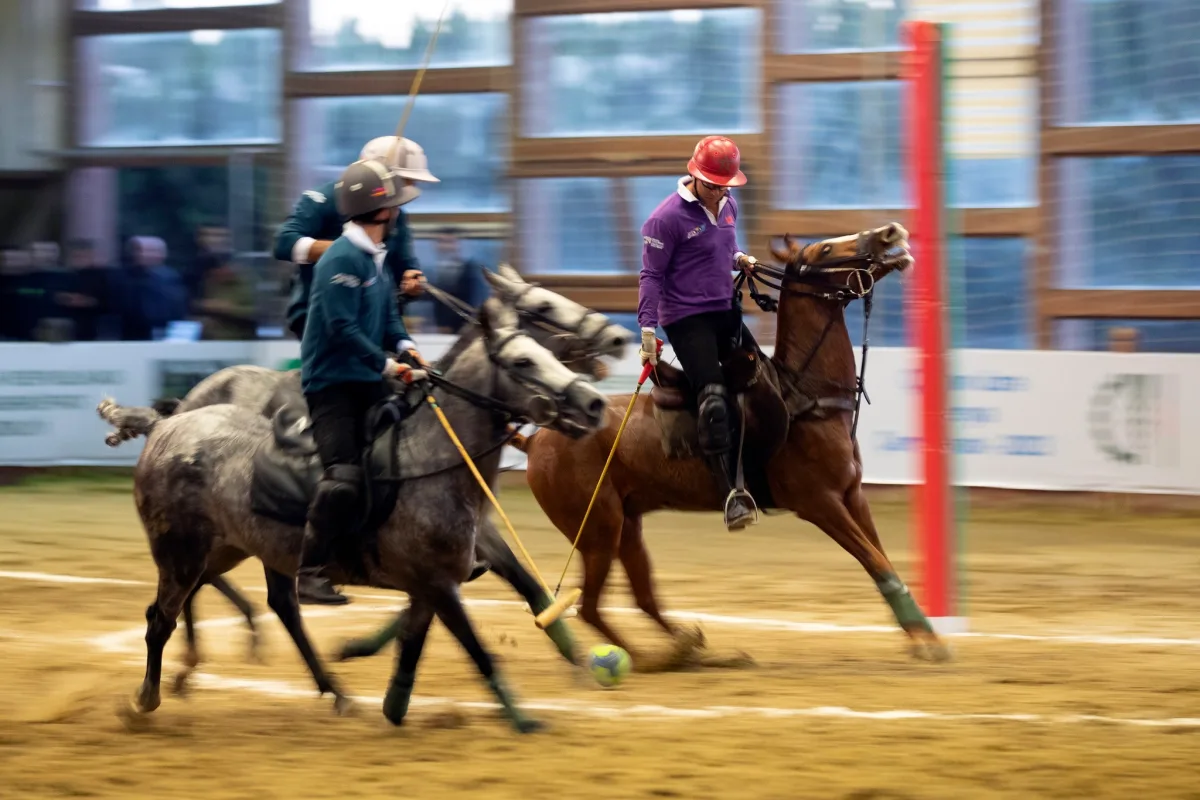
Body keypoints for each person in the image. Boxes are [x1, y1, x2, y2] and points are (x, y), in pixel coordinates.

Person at [296, 158, 426, 606]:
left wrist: (405, 346)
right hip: (332, 384)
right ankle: (310, 571)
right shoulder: (342, 257)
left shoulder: (375, 256)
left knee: (408, 450)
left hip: (367, 375)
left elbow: (387, 314)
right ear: (383, 213)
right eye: (393, 206)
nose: (396, 214)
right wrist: (387, 365)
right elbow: (340, 327)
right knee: (345, 476)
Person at [637, 135, 761, 532]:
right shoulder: (664, 219)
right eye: (712, 185)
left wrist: (739, 257)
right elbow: (651, 276)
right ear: (694, 175)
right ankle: (730, 493)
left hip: (722, 308)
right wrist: (646, 328)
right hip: (685, 318)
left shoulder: (729, 206)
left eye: (725, 185)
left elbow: (724, 245)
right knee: (713, 397)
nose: (719, 192)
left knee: (762, 376)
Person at [274, 136, 438, 340]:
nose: (410, 188)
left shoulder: (397, 217)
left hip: (374, 316)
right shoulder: (321, 200)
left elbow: (406, 264)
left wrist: (412, 279)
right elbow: (284, 242)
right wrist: (348, 251)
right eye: (405, 181)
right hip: (320, 316)